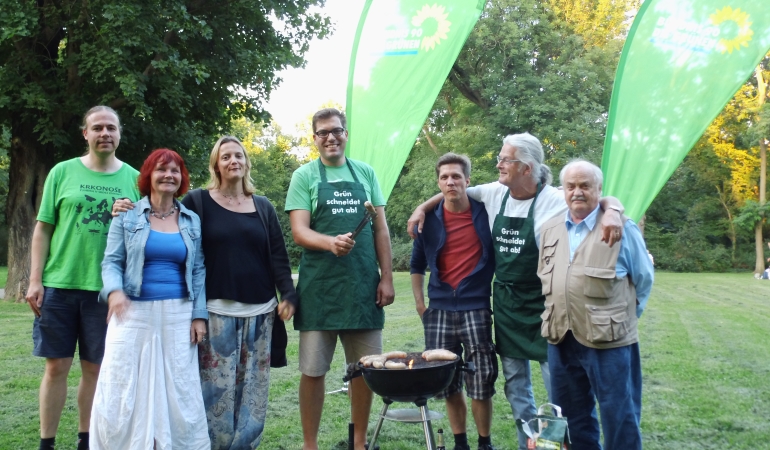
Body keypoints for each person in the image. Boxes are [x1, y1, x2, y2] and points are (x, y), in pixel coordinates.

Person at [408, 133, 625, 450]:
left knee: (558, 387)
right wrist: (420, 209)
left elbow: (593, 199)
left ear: (526, 167)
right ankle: (530, 444)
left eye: (504, 159)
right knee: (516, 385)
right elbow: (451, 192)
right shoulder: (495, 193)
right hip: (508, 305)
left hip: (547, 305)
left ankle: (555, 444)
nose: (498, 164)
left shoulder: (552, 199)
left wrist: (613, 209)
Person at [25, 106, 140, 450]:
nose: (105, 133)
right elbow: (42, 229)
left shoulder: (135, 180)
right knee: (56, 367)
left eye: (111, 128)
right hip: (59, 284)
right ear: (85, 134)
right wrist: (35, 280)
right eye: (98, 127)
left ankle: (85, 440)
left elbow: (142, 233)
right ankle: (47, 442)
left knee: (95, 369)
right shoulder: (62, 172)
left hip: (106, 292)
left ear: (119, 134)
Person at [285, 108, 395, 450]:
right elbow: (300, 231)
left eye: (336, 131)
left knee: (364, 369)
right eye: (322, 133)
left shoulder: (365, 173)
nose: (330, 137)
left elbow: (380, 230)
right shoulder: (304, 176)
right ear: (314, 138)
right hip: (320, 289)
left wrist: (387, 278)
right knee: (313, 370)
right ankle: (310, 444)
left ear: (346, 134)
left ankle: (359, 442)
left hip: (363, 286)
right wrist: (329, 242)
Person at [181, 136, 298, 449]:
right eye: (225, 157)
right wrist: (129, 207)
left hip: (261, 315)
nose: (233, 161)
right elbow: (163, 216)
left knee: (254, 396)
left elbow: (277, 255)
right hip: (216, 314)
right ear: (216, 165)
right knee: (216, 394)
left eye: (238, 156)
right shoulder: (197, 201)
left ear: (247, 162)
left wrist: (288, 294)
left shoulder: (262, 207)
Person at [91, 148, 209, 449]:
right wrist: (114, 292)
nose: (168, 175)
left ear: (182, 178)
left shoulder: (191, 220)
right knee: (123, 384)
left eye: (175, 170)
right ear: (149, 175)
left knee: (179, 388)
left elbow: (197, 270)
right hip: (132, 310)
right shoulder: (127, 214)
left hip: (178, 312)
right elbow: (111, 262)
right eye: (161, 169)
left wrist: (198, 315)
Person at [538, 160, 653, 449]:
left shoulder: (622, 228)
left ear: (599, 189)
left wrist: (623, 318)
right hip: (561, 337)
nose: (577, 192)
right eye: (571, 186)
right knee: (570, 417)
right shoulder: (549, 229)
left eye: (585, 185)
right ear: (563, 190)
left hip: (609, 342)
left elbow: (643, 279)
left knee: (619, 416)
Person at [410, 153, 498, 450]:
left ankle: (484, 443)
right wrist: (421, 304)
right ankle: (460, 442)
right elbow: (416, 264)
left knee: (481, 381)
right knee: (447, 382)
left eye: (456, 176)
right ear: (438, 182)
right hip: (439, 310)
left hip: (476, 307)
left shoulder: (485, 214)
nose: (450, 182)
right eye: (444, 177)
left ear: (467, 181)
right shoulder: (429, 220)